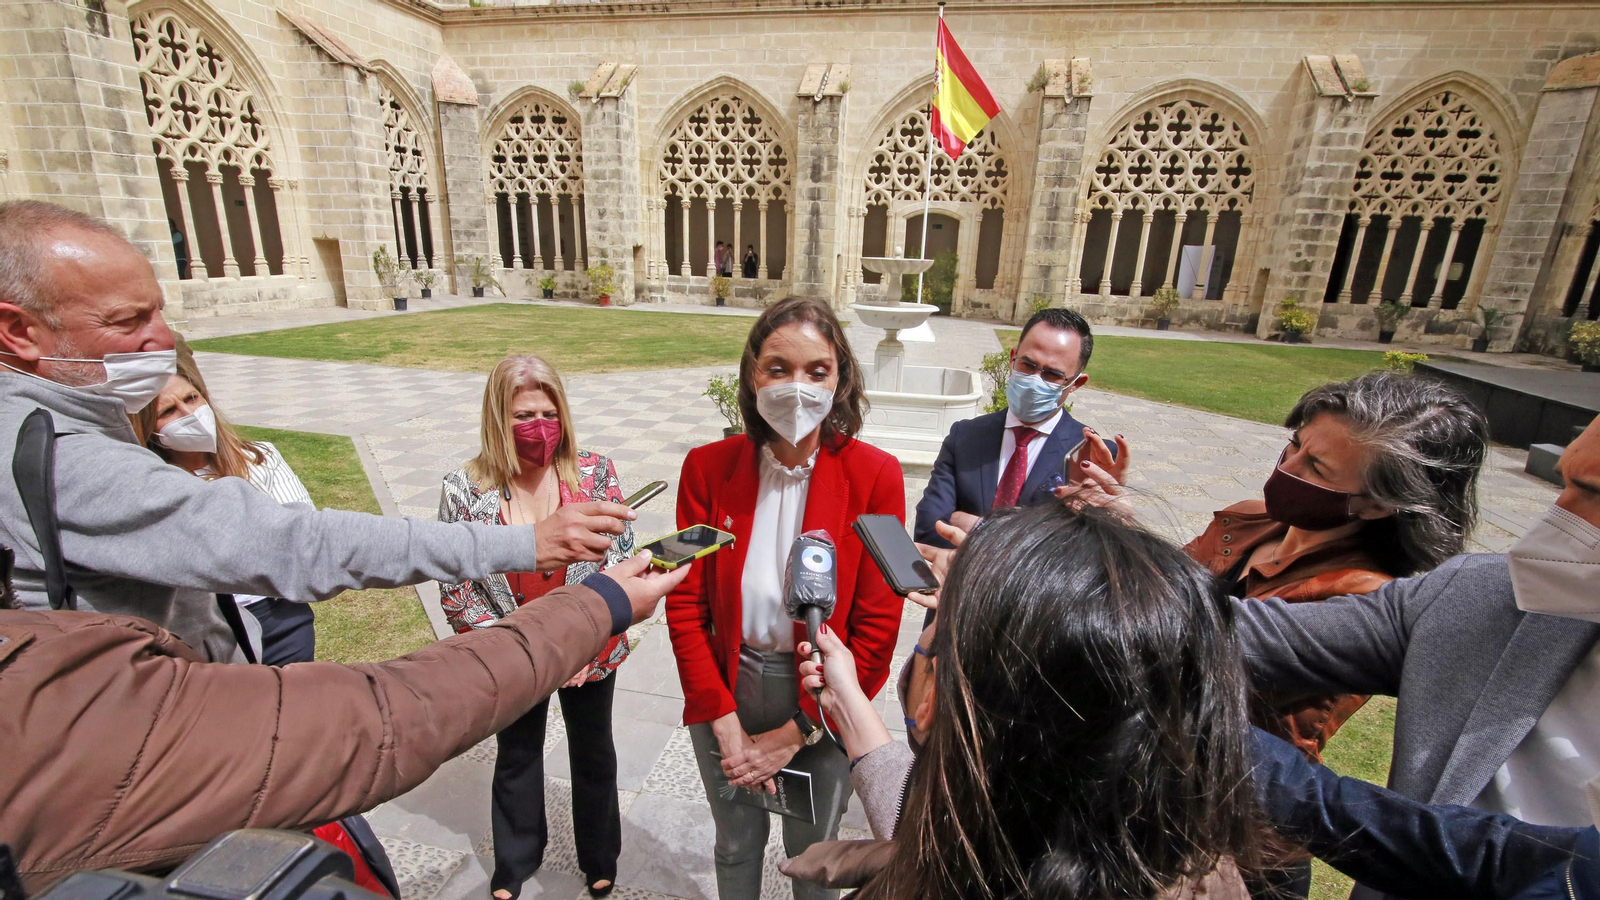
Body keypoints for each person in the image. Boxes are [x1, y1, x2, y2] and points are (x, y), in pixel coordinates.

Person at [0, 200, 634, 660]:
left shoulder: (61, 425)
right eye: (126, 319)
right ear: (19, 331)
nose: (162, 340)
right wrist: (525, 546)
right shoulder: (59, 458)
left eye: (160, 311)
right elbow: (295, 545)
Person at [0, 548, 690, 895]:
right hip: (528, 648)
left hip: (574, 654)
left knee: (592, 760)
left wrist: (592, 617)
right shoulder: (57, 714)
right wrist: (595, 604)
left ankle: (599, 862)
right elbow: (382, 715)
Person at [787, 503, 1274, 899]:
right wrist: (847, 698)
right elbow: (931, 809)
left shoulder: (960, 857)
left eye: (931, 646)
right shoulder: (1199, 869)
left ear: (932, 701)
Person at [1231, 413, 1600, 900]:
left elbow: (1489, 858)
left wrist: (1220, 742)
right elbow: (1253, 633)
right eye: (1564, 483)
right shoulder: (1490, 595)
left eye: (1593, 494)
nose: (1560, 514)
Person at [665, 296, 905, 900]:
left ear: (840, 378)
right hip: (727, 688)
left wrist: (795, 733)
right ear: (753, 373)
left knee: (814, 856)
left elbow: (877, 629)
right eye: (778, 368)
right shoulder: (706, 469)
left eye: (816, 371)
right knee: (735, 844)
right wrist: (723, 724)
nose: (796, 386)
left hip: (821, 704)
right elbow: (686, 605)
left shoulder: (877, 476)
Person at [436, 355, 633, 900]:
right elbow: (456, 585)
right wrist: (507, 654)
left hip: (587, 646)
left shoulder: (593, 473)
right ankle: (515, 862)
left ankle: (599, 855)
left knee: (593, 752)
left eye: (549, 413)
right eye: (524, 416)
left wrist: (588, 647)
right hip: (511, 654)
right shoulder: (464, 488)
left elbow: (619, 563)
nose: (540, 427)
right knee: (517, 754)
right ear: (499, 419)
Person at [130, 352, 320, 665]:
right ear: (151, 429)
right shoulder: (154, 484)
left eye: (192, 398)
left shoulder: (260, 458)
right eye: (168, 411)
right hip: (205, 628)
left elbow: (302, 535)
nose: (188, 414)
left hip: (277, 614)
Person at [914, 306, 1112, 549]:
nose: (1034, 380)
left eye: (1052, 374)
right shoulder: (965, 437)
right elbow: (928, 528)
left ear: (1075, 383)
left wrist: (973, 525)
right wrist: (1027, 543)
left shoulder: (1092, 455)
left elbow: (1081, 555)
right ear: (1012, 358)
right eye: (1028, 365)